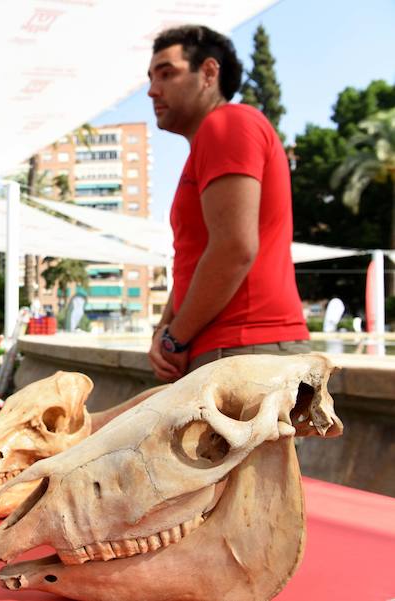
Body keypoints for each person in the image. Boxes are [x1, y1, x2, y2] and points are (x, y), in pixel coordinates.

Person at [146, 25, 309, 382]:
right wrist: (163, 330)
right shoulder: (212, 139)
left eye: (166, 74)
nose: (152, 90)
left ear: (207, 73)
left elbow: (233, 249)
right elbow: (198, 257)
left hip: (245, 348)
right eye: (151, 77)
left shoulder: (228, 123)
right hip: (236, 349)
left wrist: (174, 339)